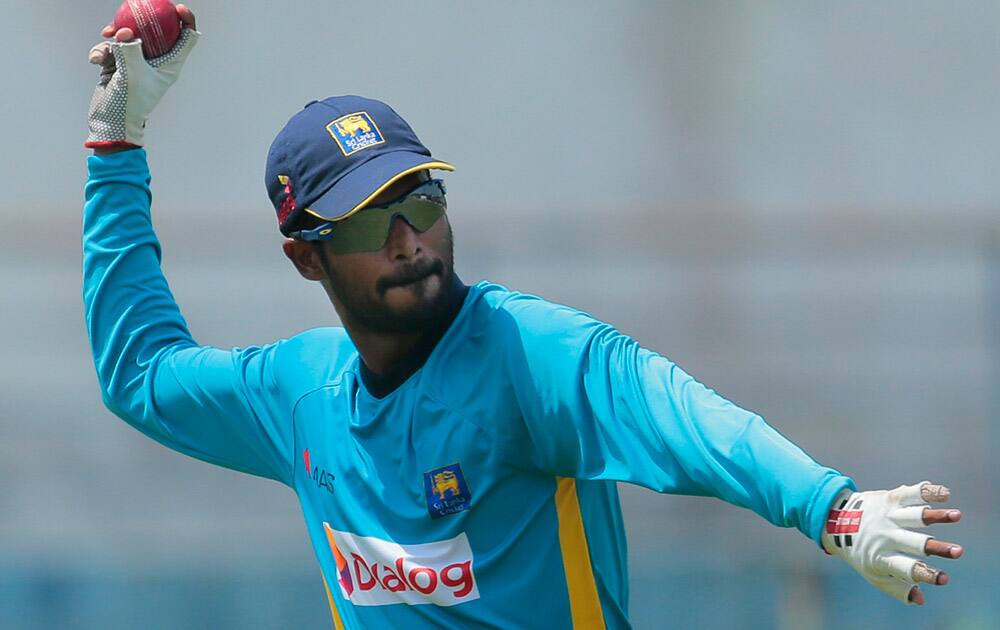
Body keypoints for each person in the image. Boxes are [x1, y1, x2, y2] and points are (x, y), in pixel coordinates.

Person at [83, 7, 964, 629]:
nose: (407, 239)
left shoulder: (524, 354)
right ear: (304, 255)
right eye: (363, 220)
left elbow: (681, 414)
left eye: (419, 198)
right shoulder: (299, 395)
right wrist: (117, 143)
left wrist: (829, 506)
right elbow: (141, 376)